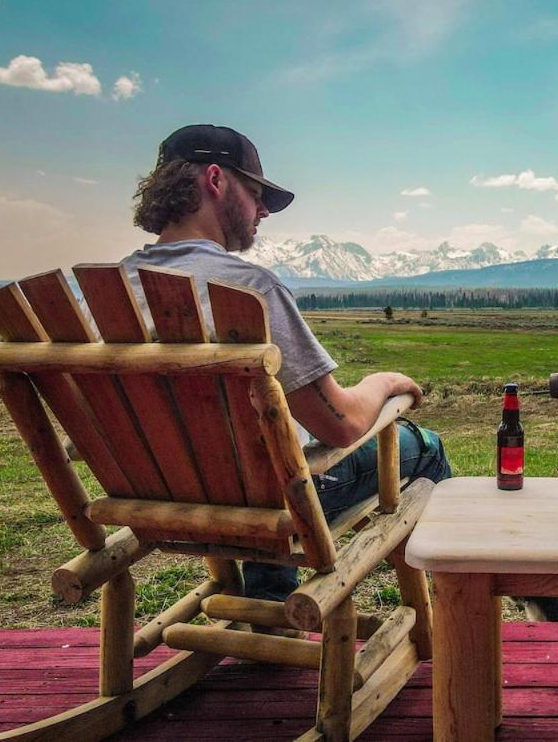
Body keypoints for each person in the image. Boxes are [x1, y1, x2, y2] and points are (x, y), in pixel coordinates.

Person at [123, 124, 452, 604]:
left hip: (158, 496)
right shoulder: (248, 289)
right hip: (268, 501)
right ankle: (456, 603)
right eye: (257, 194)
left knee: (261, 449)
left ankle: (267, 606)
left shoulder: (104, 294)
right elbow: (341, 425)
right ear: (215, 180)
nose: (262, 211)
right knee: (423, 447)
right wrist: (385, 382)